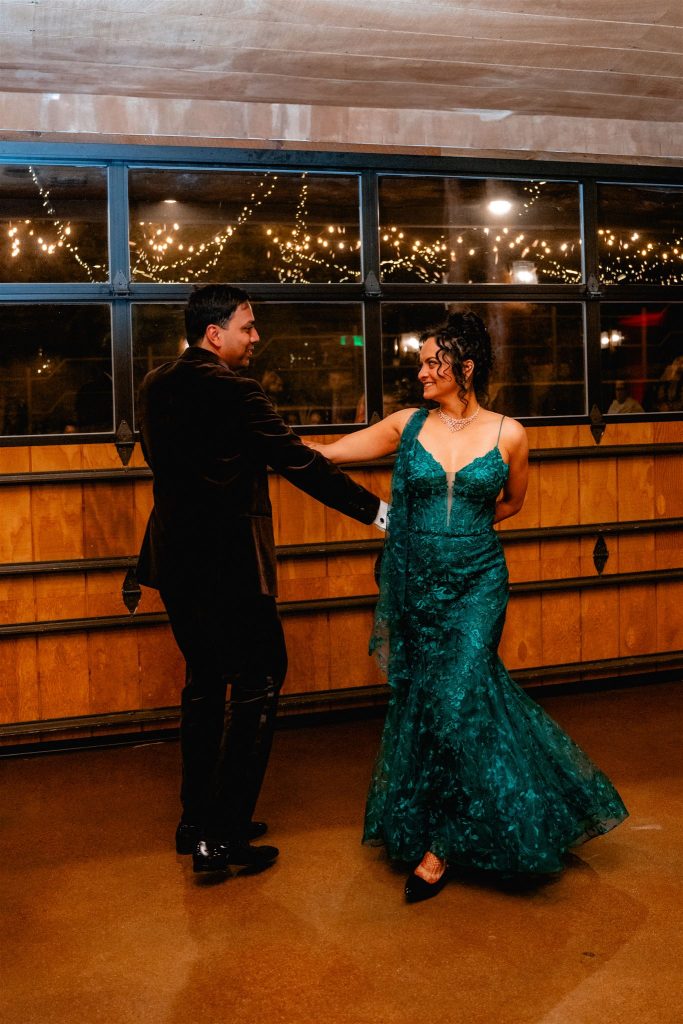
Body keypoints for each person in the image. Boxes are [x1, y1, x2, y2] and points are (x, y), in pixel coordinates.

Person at [307, 311, 628, 903]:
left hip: (479, 583)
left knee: (457, 699)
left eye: (433, 362)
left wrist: (462, 535)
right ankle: (502, 806)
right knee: (437, 703)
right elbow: (331, 453)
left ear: (466, 367)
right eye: (421, 362)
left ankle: (443, 844)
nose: (421, 372)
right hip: (418, 584)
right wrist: (266, 442)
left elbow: (512, 503)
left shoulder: (509, 433)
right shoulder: (407, 425)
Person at [137, 284, 386, 876]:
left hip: (172, 562)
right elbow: (298, 462)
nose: (256, 338)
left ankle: (196, 820)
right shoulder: (235, 389)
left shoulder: (154, 384)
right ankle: (222, 837)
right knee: (261, 676)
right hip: (229, 567)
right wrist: (379, 513)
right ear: (214, 334)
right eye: (247, 327)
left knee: (204, 682)